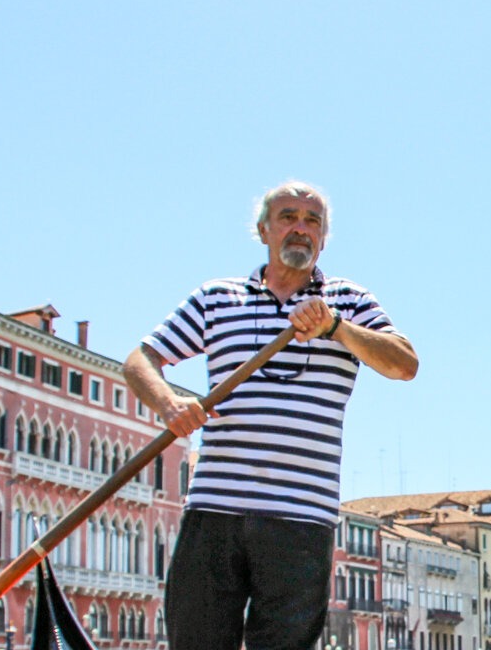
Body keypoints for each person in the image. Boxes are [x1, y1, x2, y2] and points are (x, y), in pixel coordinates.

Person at [122, 181, 418, 650]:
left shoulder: (351, 302)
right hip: (214, 510)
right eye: (288, 217)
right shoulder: (216, 297)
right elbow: (141, 360)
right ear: (263, 230)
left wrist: (335, 327)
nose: (300, 229)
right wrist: (169, 403)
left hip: (300, 516)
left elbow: (404, 364)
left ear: (323, 239)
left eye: (312, 221)